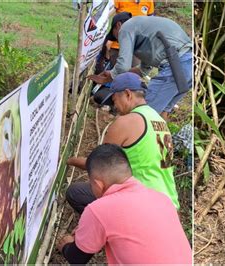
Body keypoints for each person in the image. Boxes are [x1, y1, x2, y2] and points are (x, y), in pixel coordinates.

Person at [57, 144, 192, 264]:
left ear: (98, 184)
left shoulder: (98, 210)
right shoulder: (162, 199)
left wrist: (66, 245)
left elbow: (77, 258)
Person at [66, 72, 180, 211]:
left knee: (76, 192)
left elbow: (100, 165)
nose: (115, 107)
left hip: (143, 203)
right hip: (169, 202)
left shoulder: (127, 122)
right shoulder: (159, 120)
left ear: (127, 94)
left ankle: (110, 227)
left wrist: (69, 160)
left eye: (114, 101)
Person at [89, 12, 192, 120]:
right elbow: (142, 71)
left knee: (142, 112)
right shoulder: (145, 33)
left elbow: (123, 66)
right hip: (189, 65)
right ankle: (160, 136)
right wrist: (111, 74)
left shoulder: (126, 27)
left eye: (115, 36)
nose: (119, 41)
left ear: (118, 25)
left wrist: (110, 77)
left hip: (176, 65)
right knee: (161, 112)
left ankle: (128, 136)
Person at [95, 0, 155, 73]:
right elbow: (107, 14)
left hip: (137, 46)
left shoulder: (149, 2)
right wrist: (97, 23)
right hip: (118, 46)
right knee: (118, 74)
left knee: (135, 75)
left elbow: (151, 21)